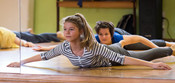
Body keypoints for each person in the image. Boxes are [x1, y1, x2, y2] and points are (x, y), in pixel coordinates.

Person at [6, 13, 171, 70]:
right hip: (110, 58)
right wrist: (20, 62)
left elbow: (122, 59)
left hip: (115, 54)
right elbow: (44, 56)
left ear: (81, 32)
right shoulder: (64, 47)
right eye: (65, 30)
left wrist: (152, 65)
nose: (67, 33)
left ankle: (170, 49)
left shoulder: (93, 46)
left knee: (153, 53)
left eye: (71, 29)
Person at [94, 21, 175, 50]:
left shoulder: (118, 38)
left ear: (110, 34)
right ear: (97, 34)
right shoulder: (94, 39)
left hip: (121, 33)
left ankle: (169, 43)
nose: (103, 37)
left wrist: (158, 49)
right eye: (101, 34)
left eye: (106, 34)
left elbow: (140, 38)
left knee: (142, 45)